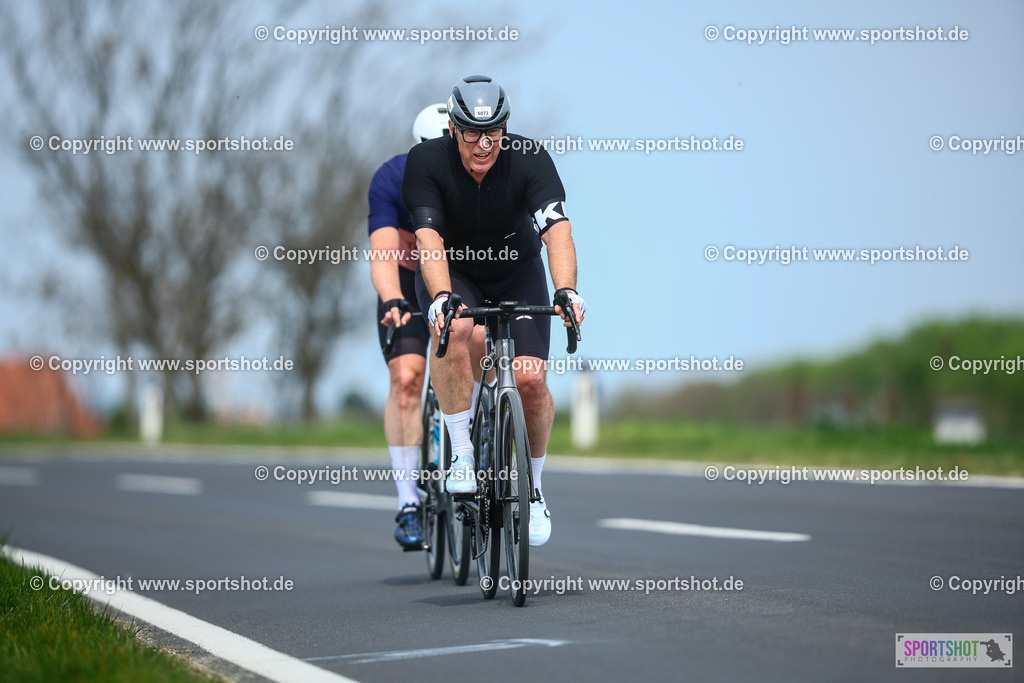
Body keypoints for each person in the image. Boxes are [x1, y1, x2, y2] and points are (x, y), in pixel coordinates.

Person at [402, 75, 586, 547]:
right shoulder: (426, 161)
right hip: (455, 274)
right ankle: (462, 453)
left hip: (515, 271)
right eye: (472, 133)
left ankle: (535, 489)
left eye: (495, 132)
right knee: (455, 325)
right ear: (454, 129)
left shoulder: (529, 158)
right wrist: (441, 296)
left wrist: (565, 289)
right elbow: (428, 239)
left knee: (530, 380)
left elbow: (557, 228)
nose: (484, 144)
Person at [368, 103, 448, 551]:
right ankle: (408, 503)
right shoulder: (391, 179)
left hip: (461, 278)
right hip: (407, 280)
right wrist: (393, 298)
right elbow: (382, 255)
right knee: (406, 380)